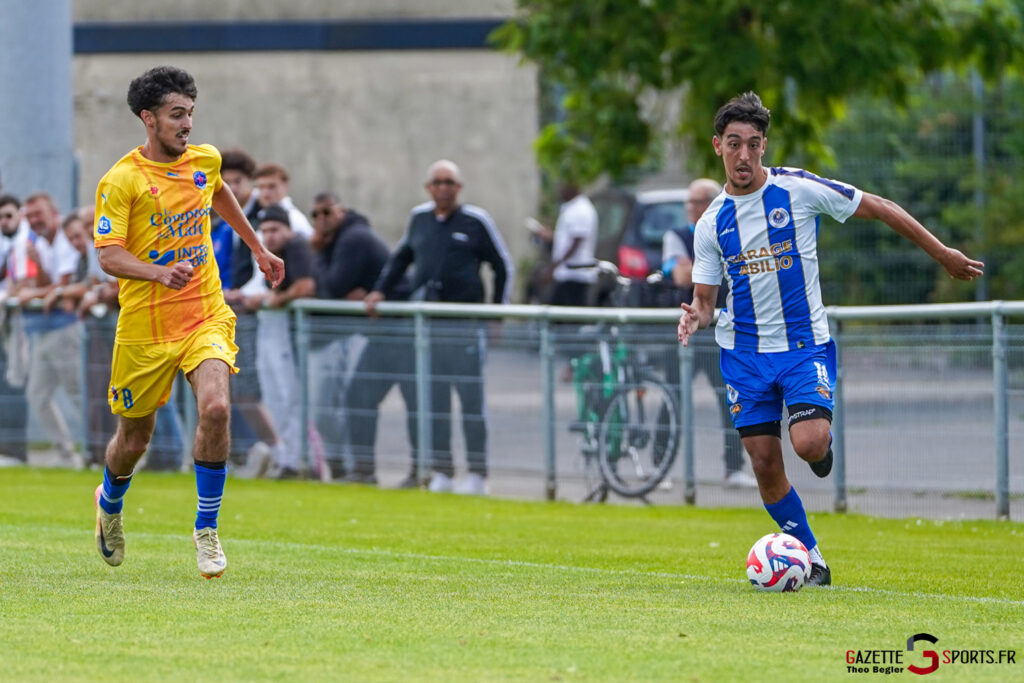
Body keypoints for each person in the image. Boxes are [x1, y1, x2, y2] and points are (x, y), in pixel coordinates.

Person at [677, 92, 984, 587]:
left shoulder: (796, 190)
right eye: (733, 144)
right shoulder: (711, 223)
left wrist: (943, 253)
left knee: (810, 444)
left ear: (764, 147)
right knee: (762, 460)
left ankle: (822, 451)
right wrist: (697, 315)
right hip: (745, 354)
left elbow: (879, 207)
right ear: (718, 146)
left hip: (802, 346)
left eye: (753, 145)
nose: (744, 155)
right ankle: (813, 558)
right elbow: (707, 299)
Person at [92, 66, 284, 579]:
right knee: (134, 440)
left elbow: (217, 191)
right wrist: (157, 272)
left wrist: (257, 246)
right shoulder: (121, 180)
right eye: (177, 115)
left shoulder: (205, 160)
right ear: (148, 119)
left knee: (217, 407)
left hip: (204, 311)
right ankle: (110, 501)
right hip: (144, 328)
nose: (188, 125)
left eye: (191, 114)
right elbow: (108, 257)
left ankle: (206, 528)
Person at [365, 159, 513, 495]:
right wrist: (380, 290)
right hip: (428, 328)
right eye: (437, 183)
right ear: (429, 188)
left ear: (458, 188)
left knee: (471, 399)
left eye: (450, 183)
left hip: (464, 325)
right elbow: (400, 258)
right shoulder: (419, 219)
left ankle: (477, 472)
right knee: (435, 400)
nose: (443, 188)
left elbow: (502, 265)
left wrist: (496, 314)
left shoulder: (475, 221)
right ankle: (442, 470)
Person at [309, 191, 417, 485]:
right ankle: (364, 471)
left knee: (416, 401)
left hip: (403, 329)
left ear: (341, 212)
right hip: (384, 332)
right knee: (359, 395)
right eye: (315, 215)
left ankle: (422, 472)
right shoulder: (338, 241)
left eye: (327, 212)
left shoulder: (353, 237)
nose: (321, 220)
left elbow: (331, 286)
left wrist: (318, 255)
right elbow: (333, 286)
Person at [661, 178, 755, 489]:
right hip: (686, 330)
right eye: (689, 202)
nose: (690, 209)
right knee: (671, 396)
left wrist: (700, 267)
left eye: (697, 202)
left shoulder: (728, 228)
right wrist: (712, 265)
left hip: (718, 333)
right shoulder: (675, 236)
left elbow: (729, 272)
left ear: (711, 203)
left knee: (728, 399)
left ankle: (734, 468)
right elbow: (680, 276)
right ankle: (658, 467)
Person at [213, 148, 286, 477]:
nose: (232, 187)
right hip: (236, 312)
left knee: (260, 390)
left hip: (263, 315)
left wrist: (247, 293)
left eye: (237, 181)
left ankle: (284, 454)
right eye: (224, 182)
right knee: (238, 391)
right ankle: (263, 453)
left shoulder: (268, 218)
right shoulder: (228, 220)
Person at [14, 193, 84, 469]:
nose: (34, 221)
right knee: (38, 395)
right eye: (29, 217)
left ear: (53, 213)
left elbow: (61, 287)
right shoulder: (40, 243)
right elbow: (48, 285)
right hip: (42, 331)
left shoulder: (66, 239)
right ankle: (66, 453)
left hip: (65, 330)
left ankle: (101, 451)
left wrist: (33, 292)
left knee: (78, 393)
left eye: (38, 214)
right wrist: (39, 269)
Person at [249, 204, 315, 479]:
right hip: (275, 333)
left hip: (292, 336)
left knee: (290, 396)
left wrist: (280, 299)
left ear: (288, 228)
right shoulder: (268, 253)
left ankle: (300, 459)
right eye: (264, 231)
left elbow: (306, 286)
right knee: (275, 394)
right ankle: (286, 457)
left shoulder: (297, 246)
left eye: (275, 229)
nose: (270, 236)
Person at [0, 194, 29, 465]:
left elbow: (23, 282)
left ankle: (17, 448)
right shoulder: (7, 243)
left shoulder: (27, 241)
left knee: (22, 386)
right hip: (11, 325)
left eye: (8, 215)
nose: (4, 222)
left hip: (26, 322)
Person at [543, 182, 598, 307]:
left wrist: (553, 267)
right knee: (559, 318)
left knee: (569, 320)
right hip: (567, 274)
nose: (559, 191)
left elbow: (576, 243)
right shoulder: (572, 208)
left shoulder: (580, 209)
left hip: (575, 275)